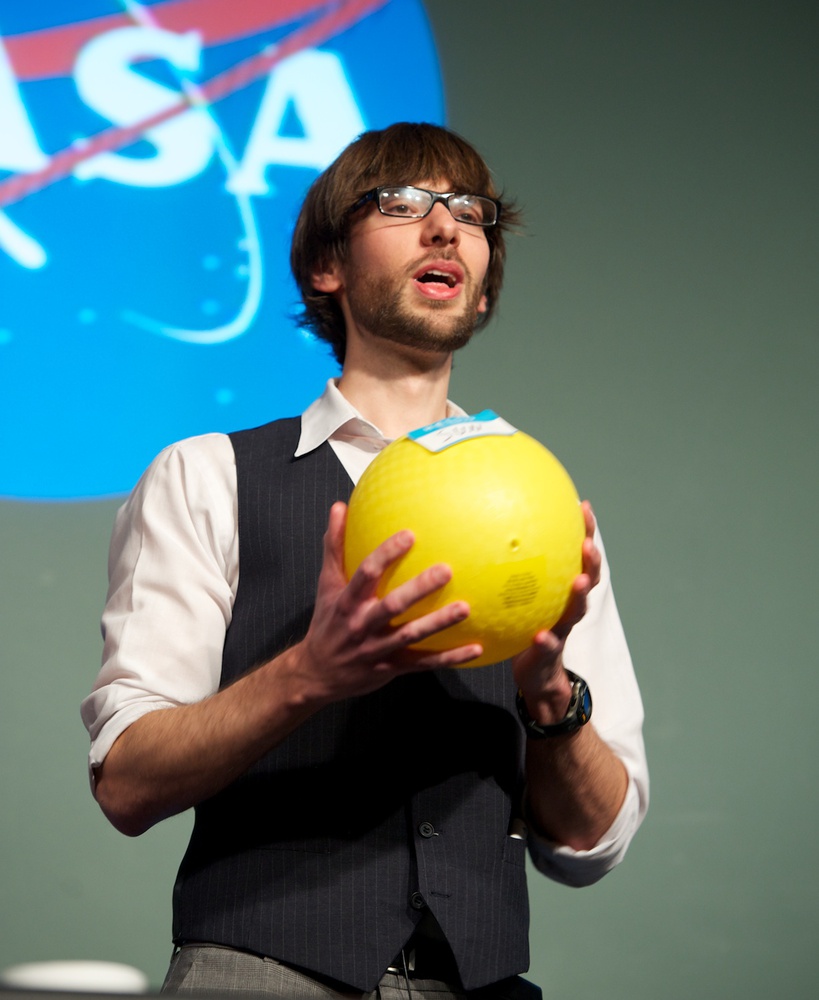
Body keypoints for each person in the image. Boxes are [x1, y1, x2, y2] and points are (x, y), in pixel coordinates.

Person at [82, 122, 648, 999]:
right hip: (259, 975)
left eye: (469, 212)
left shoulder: (542, 510)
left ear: (483, 284)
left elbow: (591, 844)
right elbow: (126, 783)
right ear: (326, 267)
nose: (444, 226)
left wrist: (548, 698)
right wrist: (309, 673)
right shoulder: (207, 475)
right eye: (401, 204)